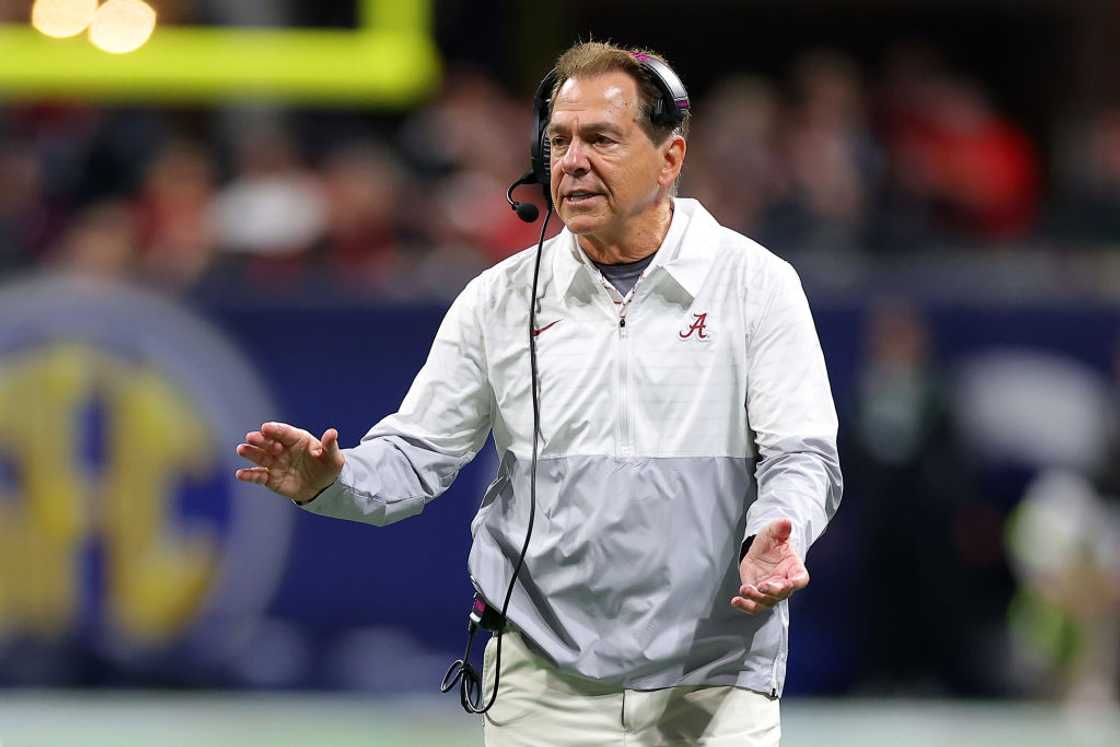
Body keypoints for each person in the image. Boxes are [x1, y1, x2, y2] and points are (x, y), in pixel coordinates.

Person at [235, 41, 842, 747]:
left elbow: (803, 454)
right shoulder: (499, 299)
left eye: (601, 139)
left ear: (670, 158)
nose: (572, 161)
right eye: (558, 141)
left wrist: (781, 528)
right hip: (542, 687)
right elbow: (414, 457)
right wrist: (333, 480)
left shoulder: (756, 285)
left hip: (712, 684)